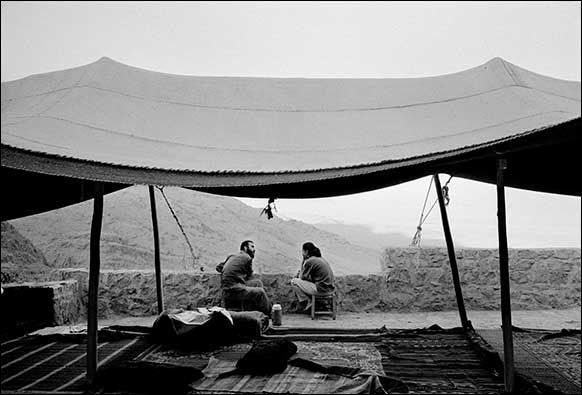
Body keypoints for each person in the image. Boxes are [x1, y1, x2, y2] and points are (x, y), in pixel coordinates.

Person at [216, 240, 272, 316]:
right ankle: (269, 314)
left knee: (257, 283)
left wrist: (230, 273)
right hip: (233, 289)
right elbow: (250, 275)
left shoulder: (232, 256)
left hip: (227, 288)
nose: (254, 249)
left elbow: (218, 268)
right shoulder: (247, 258)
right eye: (252, 247)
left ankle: (256, 312)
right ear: (245, 248)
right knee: (260, 292)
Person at [290, 242, 335, 312]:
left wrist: (303, 261)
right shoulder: (320, 259)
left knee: (293, 281)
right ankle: (310, 302)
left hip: (321, 290)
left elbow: (302, 277)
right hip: (330, 289)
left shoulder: (310, 261)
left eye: (303, 251)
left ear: (306, 251)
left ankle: (307, 301)